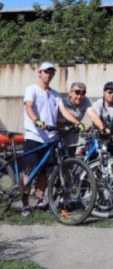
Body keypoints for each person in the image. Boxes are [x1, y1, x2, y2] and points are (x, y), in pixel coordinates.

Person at [21, 62, 84, 216]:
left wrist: (78, 123)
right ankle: (25, 204)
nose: (48, 75)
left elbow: (63, 110)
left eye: (51, 73)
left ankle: (41, 200)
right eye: (46, 72)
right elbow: (28, 106)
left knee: (45, 172)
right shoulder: (32, 90)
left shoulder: (55, 94)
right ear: (39, 73)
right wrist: (37, 120)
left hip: (50, 138)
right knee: (29, 172)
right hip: (34, 135)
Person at [56, 82, 92, 157]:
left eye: (83, 93)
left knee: (70, 160)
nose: (80, 96)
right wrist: (78, 124)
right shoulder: (62, 101)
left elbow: (93, 115)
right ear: (70, 93)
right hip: (57, 134)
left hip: (71, 137)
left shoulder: (85, 101)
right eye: (77, 92)